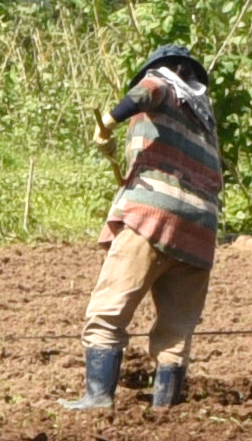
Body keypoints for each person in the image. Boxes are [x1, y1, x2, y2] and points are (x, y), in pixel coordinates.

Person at [77, 42, 222, 409]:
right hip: (201, 229)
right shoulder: (204, 117)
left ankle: (97, 398)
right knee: (176, 329)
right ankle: (165, 406)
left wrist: (107, 124)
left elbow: (147, 92)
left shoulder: (162, 83)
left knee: (108, 311)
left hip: (154, 215)